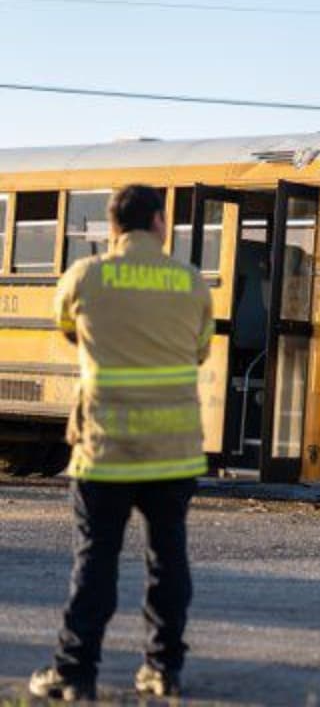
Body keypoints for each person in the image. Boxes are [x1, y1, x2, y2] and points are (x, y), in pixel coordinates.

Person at [30, 185, 213, 701]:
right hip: (173, 454)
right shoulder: (190, 281)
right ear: (159, 221)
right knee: (168, 563)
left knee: (94, 564)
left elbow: (67, 326)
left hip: (104, 452)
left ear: (112, 227)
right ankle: (162, 670)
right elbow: (199, 350)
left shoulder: (85, 277)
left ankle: (74, 673)